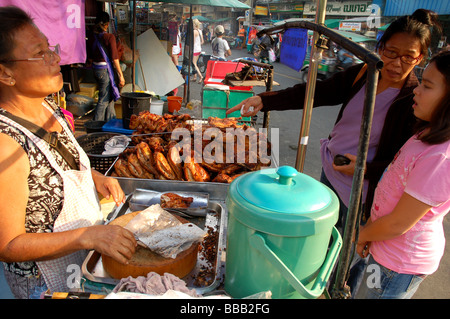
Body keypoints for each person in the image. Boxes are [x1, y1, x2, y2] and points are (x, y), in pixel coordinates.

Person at [227, 9, 441, 235]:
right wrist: (263, 99)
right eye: (391, 52)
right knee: (319, 237)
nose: (397, 63)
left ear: (421, 58)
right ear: (380, 48)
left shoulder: (414, 100)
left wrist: (366, 168)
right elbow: (315, 92)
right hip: (329, 170)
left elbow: (405, 161)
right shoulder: (362, 74)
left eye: (408, 57)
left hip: (358, 190)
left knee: (338, 248)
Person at [0, 6, 136, 299]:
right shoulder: (5, 143)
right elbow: (7, 245)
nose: (55, 58)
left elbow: (58, 169)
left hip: (81, 266)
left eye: (51, 48)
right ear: (5, 73)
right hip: (45, 286)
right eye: (41, 53)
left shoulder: (50, 109)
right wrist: (87, 235)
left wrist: (94, 177)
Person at [353, 50, 450, 299]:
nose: (416, 90)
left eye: (427, 86)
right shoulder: (425, 135)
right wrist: (371, 234)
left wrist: (362, 234)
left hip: (398, 266)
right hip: (385, 249)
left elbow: (398, 223)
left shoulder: (440, 157)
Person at [86, 11, 125, 122]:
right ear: (107, 24)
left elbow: (89, 56)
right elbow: (114, 58)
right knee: (103, 99)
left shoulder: (91, 36)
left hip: (95, 69)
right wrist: (121, 75)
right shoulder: (109, 37)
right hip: (104, 71)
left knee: (110, 96)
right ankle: (96, 124)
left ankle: (111, 120)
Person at [192, 18, 204, 83]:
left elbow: (193, 42)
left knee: (193, 63)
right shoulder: (200, 31)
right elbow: (202, 41)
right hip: (199, 49)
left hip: (195, 50)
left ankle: (200, 76)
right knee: (195, 63)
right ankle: (194, 77)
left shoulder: (194, 31)